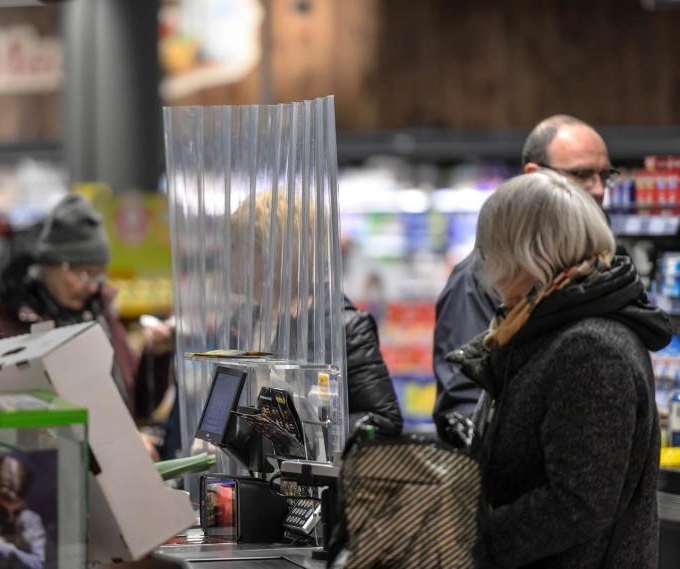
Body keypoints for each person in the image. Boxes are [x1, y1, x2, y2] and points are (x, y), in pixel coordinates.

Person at [446, 170, 669, 568]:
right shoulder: (547, 329)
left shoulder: (591, 348)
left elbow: (579, 501)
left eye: (493, 249)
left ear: (527, 255)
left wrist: (468, 544)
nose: (488, 266)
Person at [433, 114, 622, 444]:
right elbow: (465, 403)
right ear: (534, 177)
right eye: (581, 174)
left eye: (605, 175)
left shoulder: (602, 277)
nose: (598, 189)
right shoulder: (483, 275)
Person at [0, 193, 172, 459]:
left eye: (99, 274)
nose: (92, 285)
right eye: (83, 273)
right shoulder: (8, 318)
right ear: (49, 264)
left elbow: (138, 405)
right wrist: (114, 442)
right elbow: (22, 416)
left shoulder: (100, 314)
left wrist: (156, 356)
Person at [229, 192, 403, 435]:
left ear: (270, 255)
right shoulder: (243, 321)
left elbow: (384, 421)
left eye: (236, 247)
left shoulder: (342, 327)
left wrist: (310, 433)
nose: (228, 258)